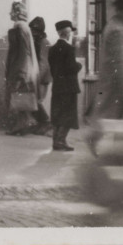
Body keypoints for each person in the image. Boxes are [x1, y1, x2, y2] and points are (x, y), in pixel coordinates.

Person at [4, 1, 39, 136]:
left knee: (17, 96)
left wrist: (19, 71)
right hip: (24, 68)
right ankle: (21, 126)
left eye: (12, 11)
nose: (9, 13)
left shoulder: (20, 27)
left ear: (17, 13)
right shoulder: (24, 27)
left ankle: (25, 124)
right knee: (20, 97)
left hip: (20, 68)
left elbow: (23, 51)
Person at [48, 20, 81, 151]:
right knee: (68, 114)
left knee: (57, 114)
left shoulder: (52, 49)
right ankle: (61, 141)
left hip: (57, 86)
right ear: (67, 34)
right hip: (69, 87)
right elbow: (71, 68)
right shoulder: (69, 49)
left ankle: (56, 141)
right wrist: (79, 65)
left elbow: (53, 69)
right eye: (70, 32)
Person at [28, 16, 53, 136]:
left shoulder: (44, 42)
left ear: (39, 31)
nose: (32, 33)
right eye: (31, 30)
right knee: (34, 101)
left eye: (34, 30)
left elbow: (44, 62)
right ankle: (41, 124)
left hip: (43, 77)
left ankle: (46, 123)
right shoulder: (37, 41)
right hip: (39, 75)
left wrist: (37, 79)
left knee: (37, 101)